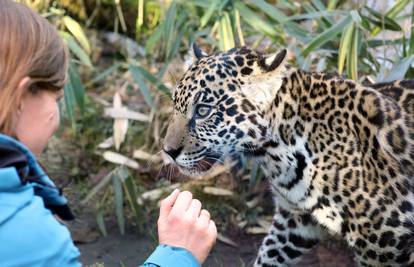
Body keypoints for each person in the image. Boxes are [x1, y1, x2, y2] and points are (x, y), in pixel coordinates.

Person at [0, 0, 217, 266]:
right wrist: (178, 254)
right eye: (57, 98)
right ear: (22, 96)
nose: (59, 114)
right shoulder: (30, 236)